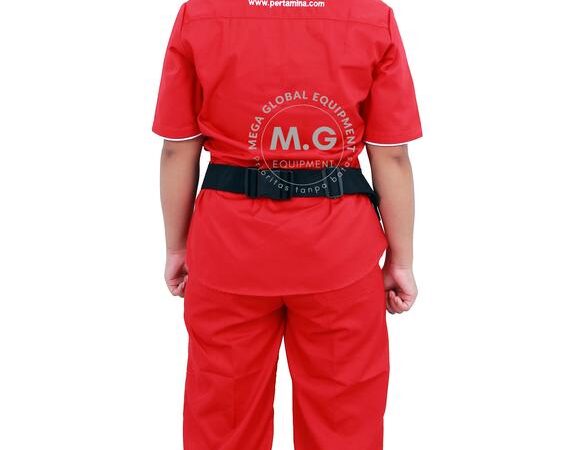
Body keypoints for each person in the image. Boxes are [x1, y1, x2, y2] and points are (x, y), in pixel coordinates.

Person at [153, 0, 422, 448]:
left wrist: (177, 248)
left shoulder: (200, 15)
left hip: (228, 247)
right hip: (338, 251)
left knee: (223, 420)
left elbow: (178, 148)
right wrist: (401, 260)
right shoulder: (370, 18)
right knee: (343, 423)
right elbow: (391, 155)